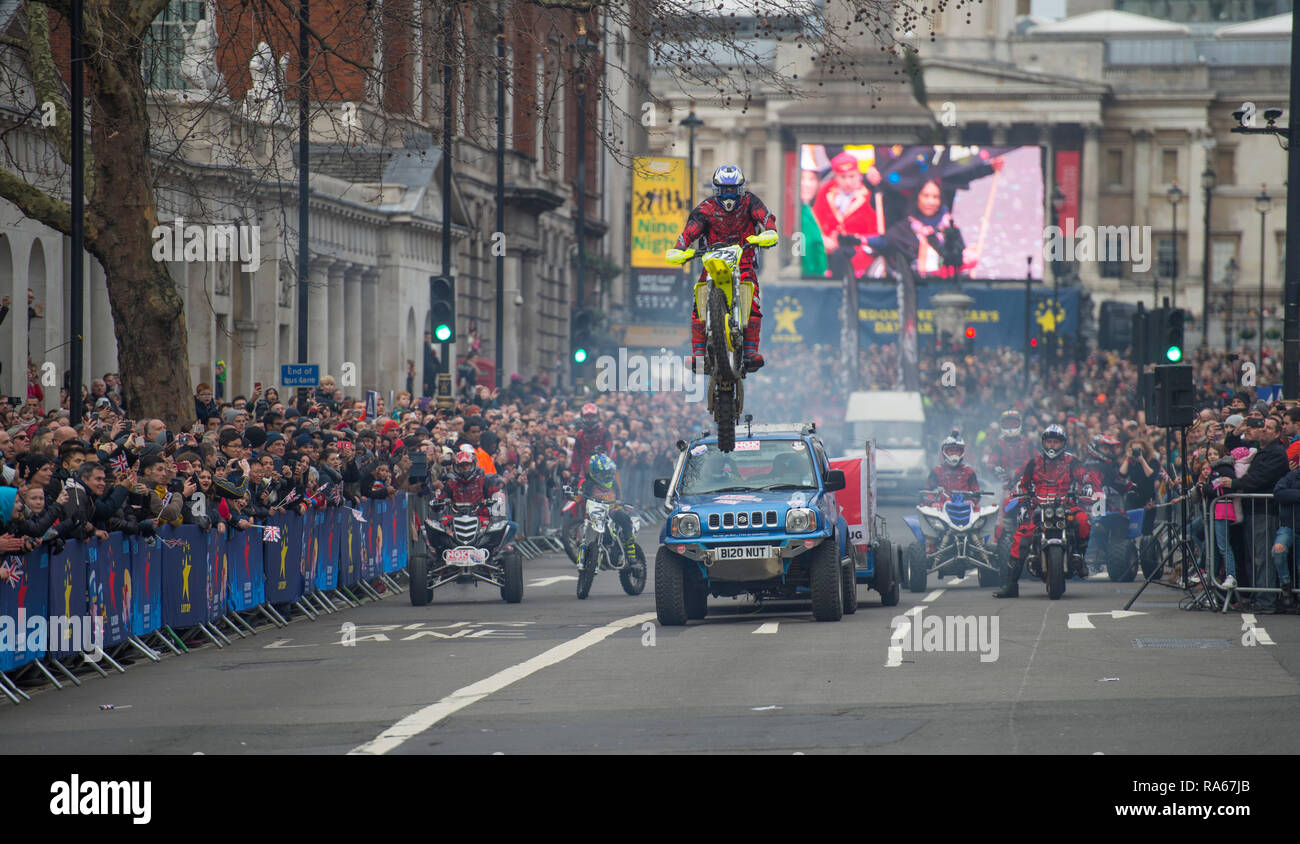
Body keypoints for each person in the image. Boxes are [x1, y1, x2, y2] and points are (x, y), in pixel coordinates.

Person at [670, 164, 777, 373]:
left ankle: (749, 351)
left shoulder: (750, 202)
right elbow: (688, 233)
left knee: (754, 301)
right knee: (698, 302)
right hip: (712, 263)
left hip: (743, 260)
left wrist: (770, 232)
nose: (729, 196)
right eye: (724, 190)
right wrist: (679, 250)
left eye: (733, 190)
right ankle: (699, 355)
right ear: (715, 189)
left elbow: (766, 217)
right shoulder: (705, 209)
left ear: (741, 189)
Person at [995, 424, 1092, 598]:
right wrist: (1017, 491)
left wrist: (1088, 487)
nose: (1052, 446)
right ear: (1044, 443)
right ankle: (1011, 585)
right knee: (1020, 538)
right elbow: (1020, 482)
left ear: (1062, 443)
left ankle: (1080, 559)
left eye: (1056, 442)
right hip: (1038, 506)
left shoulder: (1073, 461)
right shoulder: (1033, 462)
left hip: (1067, 505)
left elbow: (1085, 477)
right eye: (1049, 442)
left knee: (1084, 521)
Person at [577, 453, 636, 569]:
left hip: (611, 512)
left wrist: (621, 505)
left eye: (607, 474)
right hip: (594, 513)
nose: (605, 477)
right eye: (602, 474)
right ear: (595, 472)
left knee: (624, 518)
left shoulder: (613, 484)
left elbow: (619, 499)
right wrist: (572, 494)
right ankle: (591, 554)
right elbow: (579, 496)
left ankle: (630, 551)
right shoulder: (588, 484)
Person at [925, 433, 980, 504]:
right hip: (941, 510)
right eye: (951, 451)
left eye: (957, 451)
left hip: (966, 508)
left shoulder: (969, 471)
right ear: (945, 452)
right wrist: (933, 503)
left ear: (962, 452)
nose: (954, 454)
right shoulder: (937, 471)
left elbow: (976, 492)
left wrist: (972, 501)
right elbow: (928, 492)